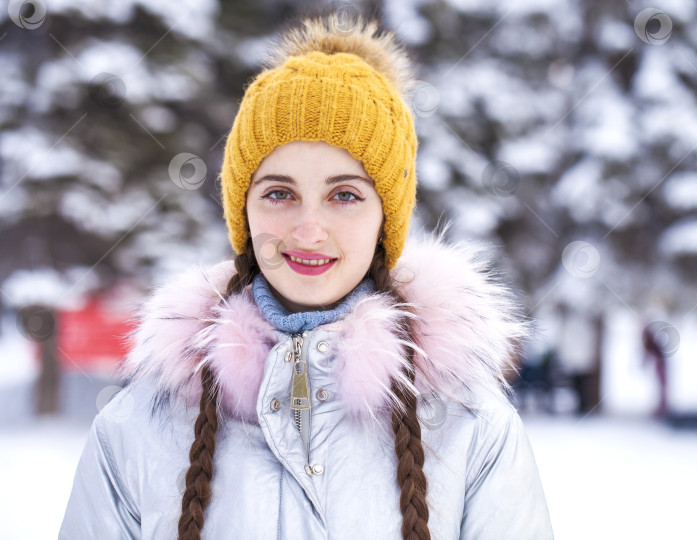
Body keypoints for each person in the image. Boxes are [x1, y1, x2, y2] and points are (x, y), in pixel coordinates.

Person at [59, 12, 554, 540]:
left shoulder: (470, 426)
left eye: (345, 195)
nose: (309, 230)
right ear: (242, 210)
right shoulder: (137, 428)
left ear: (387, 217)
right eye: (279, 193)